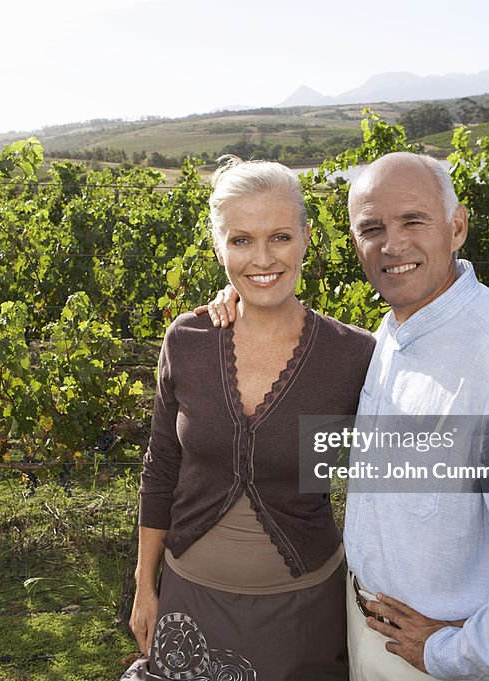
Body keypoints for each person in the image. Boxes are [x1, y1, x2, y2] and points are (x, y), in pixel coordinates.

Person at [204, 151, 489, 681]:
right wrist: (240, 298)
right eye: (372, 227)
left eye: (413, 221)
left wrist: (457, 653)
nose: (392, 244)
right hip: (366, 630)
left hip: (427, 660)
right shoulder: (389, 337)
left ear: (457, 225)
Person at [130, 156, 375, 680]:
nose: (262, 258)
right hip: (187, 606)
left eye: (280, 237)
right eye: (240, 240)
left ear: (307, 238)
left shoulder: (353, 356)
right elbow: (161, 468)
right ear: (218, 246)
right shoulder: (189, 341)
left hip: (303, 614)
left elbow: (400, 475)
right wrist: (144, 587)